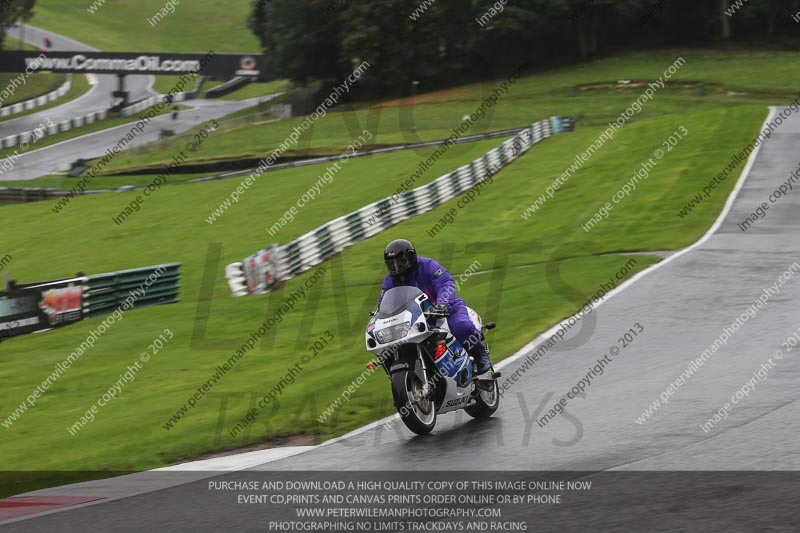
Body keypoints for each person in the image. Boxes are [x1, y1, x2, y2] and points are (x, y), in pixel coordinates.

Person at [377, 239, 493, 376]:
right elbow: (384, 300)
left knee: (461, 326)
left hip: (445, 310)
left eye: (400, 261)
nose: (396, 267)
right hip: (415, 320)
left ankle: (479, 355)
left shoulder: (427, 265)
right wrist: (381, 315)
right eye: (392, 264)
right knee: (392, 346)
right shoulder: (390, 280)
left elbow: (445, 283)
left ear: (410, 257)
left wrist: (443, 304)